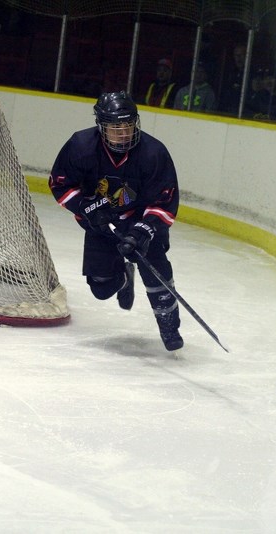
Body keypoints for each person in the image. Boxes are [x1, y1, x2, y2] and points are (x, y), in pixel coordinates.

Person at [49, 91, 183, 351]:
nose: (123, 132)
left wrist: (143, 231)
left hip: (140, 222)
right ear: (102, 127)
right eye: (115, 126)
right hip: (100, 224)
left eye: (128, 125)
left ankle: (169, 327)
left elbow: (164, 202)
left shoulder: (153, 153)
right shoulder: (81, 145)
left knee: (156, 272)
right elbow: (60, 183)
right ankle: (123, 277)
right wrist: (85, 207)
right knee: (101, 288)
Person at [218, 43, 248, 115]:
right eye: (236, 55)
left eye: (242, 55)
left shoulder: (252, 74)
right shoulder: (229, 73)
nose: (238, 58)